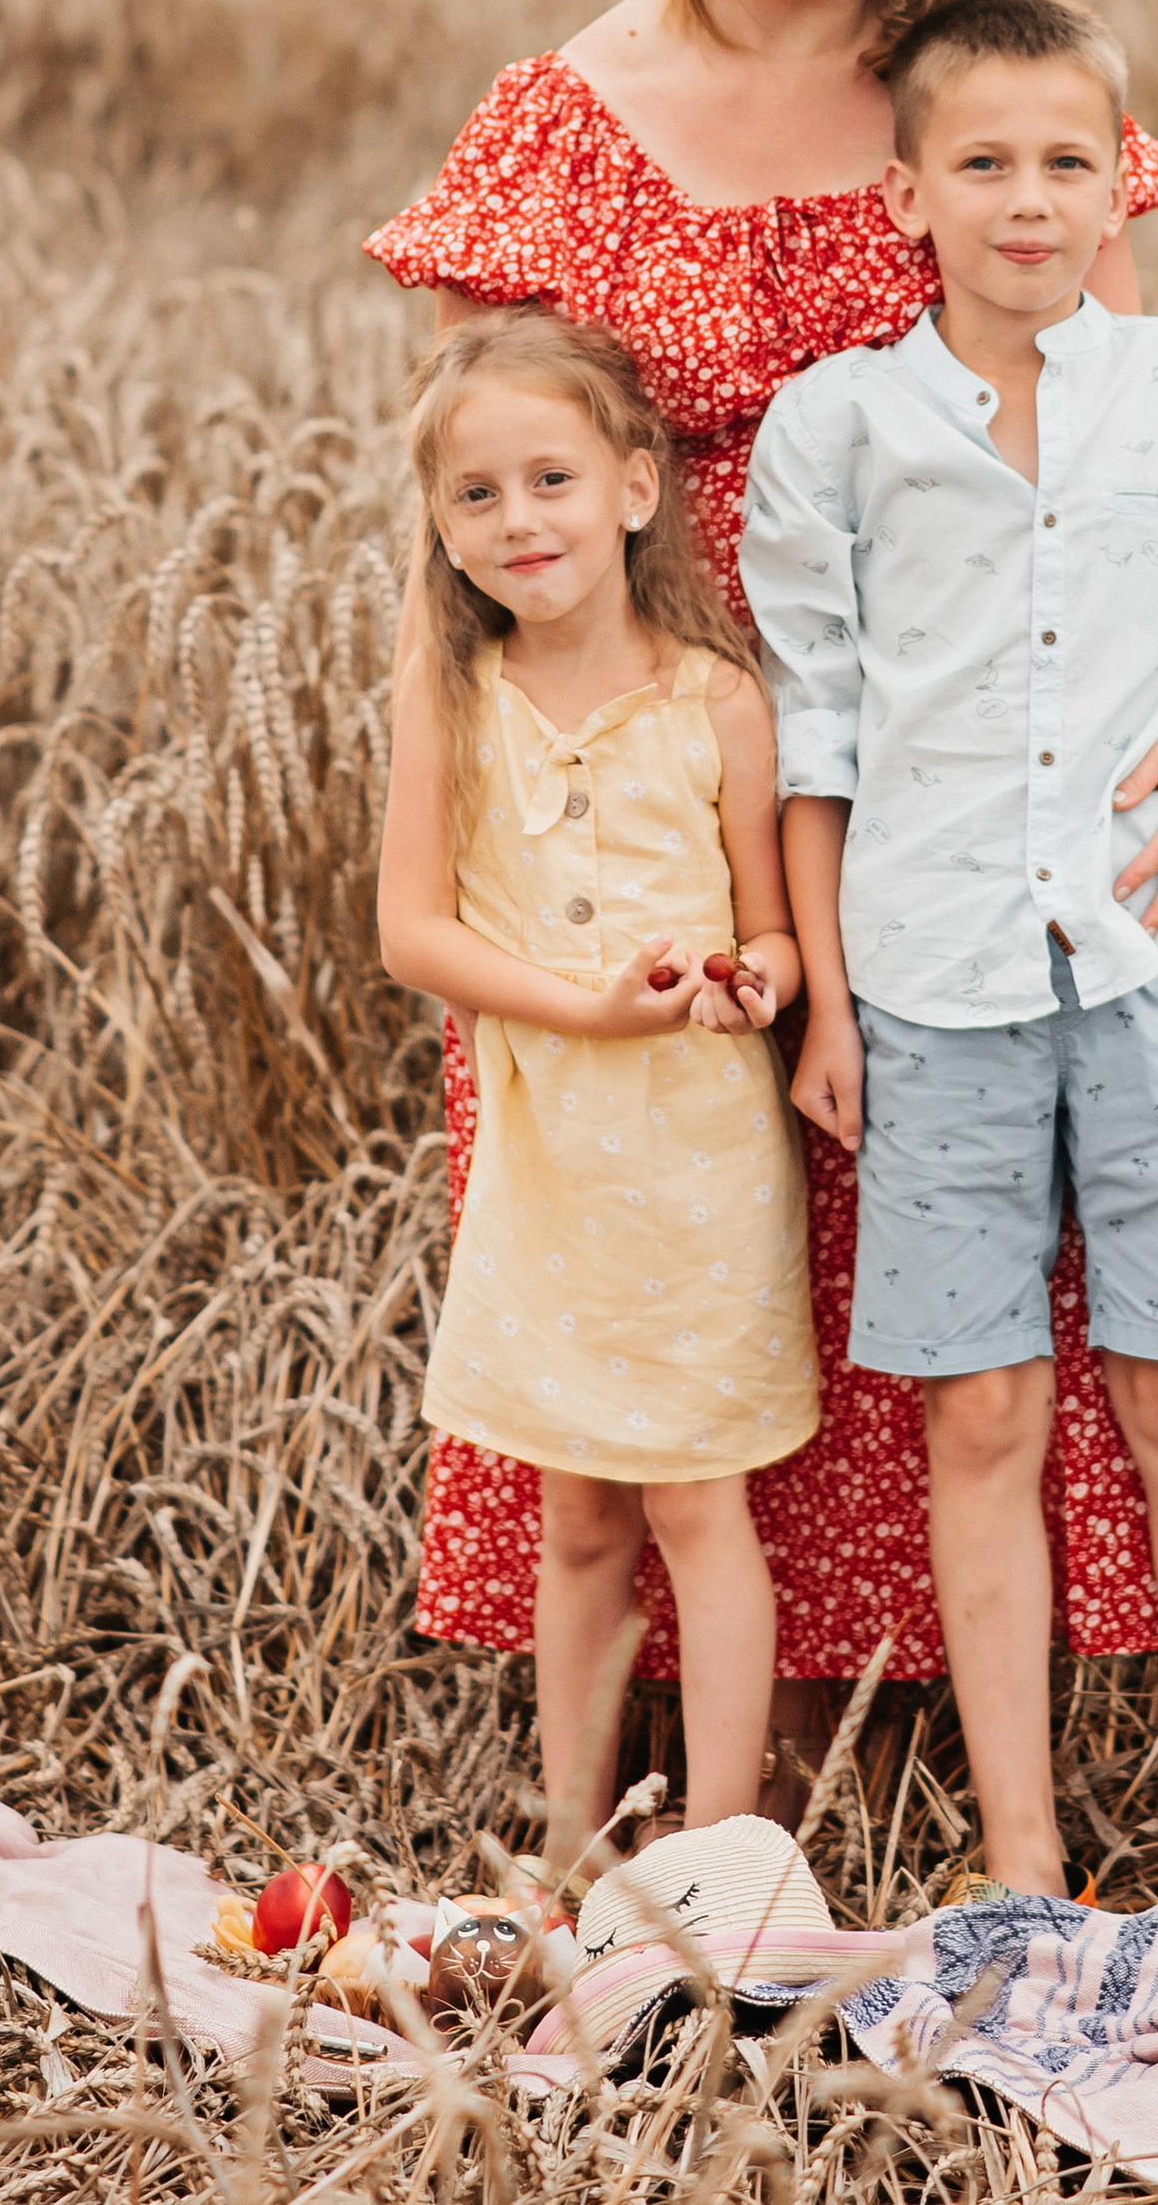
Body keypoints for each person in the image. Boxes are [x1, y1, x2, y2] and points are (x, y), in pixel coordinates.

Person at [365, 0, 1158, 1889]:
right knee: (671, 1256)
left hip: (976, 791)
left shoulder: (968, 120)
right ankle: (702, 1802)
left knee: (1113, 1288)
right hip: (653, 805)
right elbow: (480, 489)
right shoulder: (554, 127)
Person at [744, 0, 1158, 1912]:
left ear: (1122, 182)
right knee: (981, 1403)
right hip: (929, 976)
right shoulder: (837, 426)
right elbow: (816, 729)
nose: (1029, 200)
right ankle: (1021, 1851)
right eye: (984, 163)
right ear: (907, 187)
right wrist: (829, 999)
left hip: (1156, 953)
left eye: (1067, 163)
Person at [378, 308, 819, 1857]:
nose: (520, 520)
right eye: (477, 495)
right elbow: (411, 927)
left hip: (698, 1158)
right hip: (552, 1152)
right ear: (442, 525)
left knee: (702, 1509)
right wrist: (581, 1007)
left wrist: (760, 977)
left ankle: (714, 1849)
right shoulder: (453, 694)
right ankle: (568, 1846)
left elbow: (768, 922)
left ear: (636, 487)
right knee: (579, 1513)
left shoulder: (717, 700)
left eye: (551, 478)